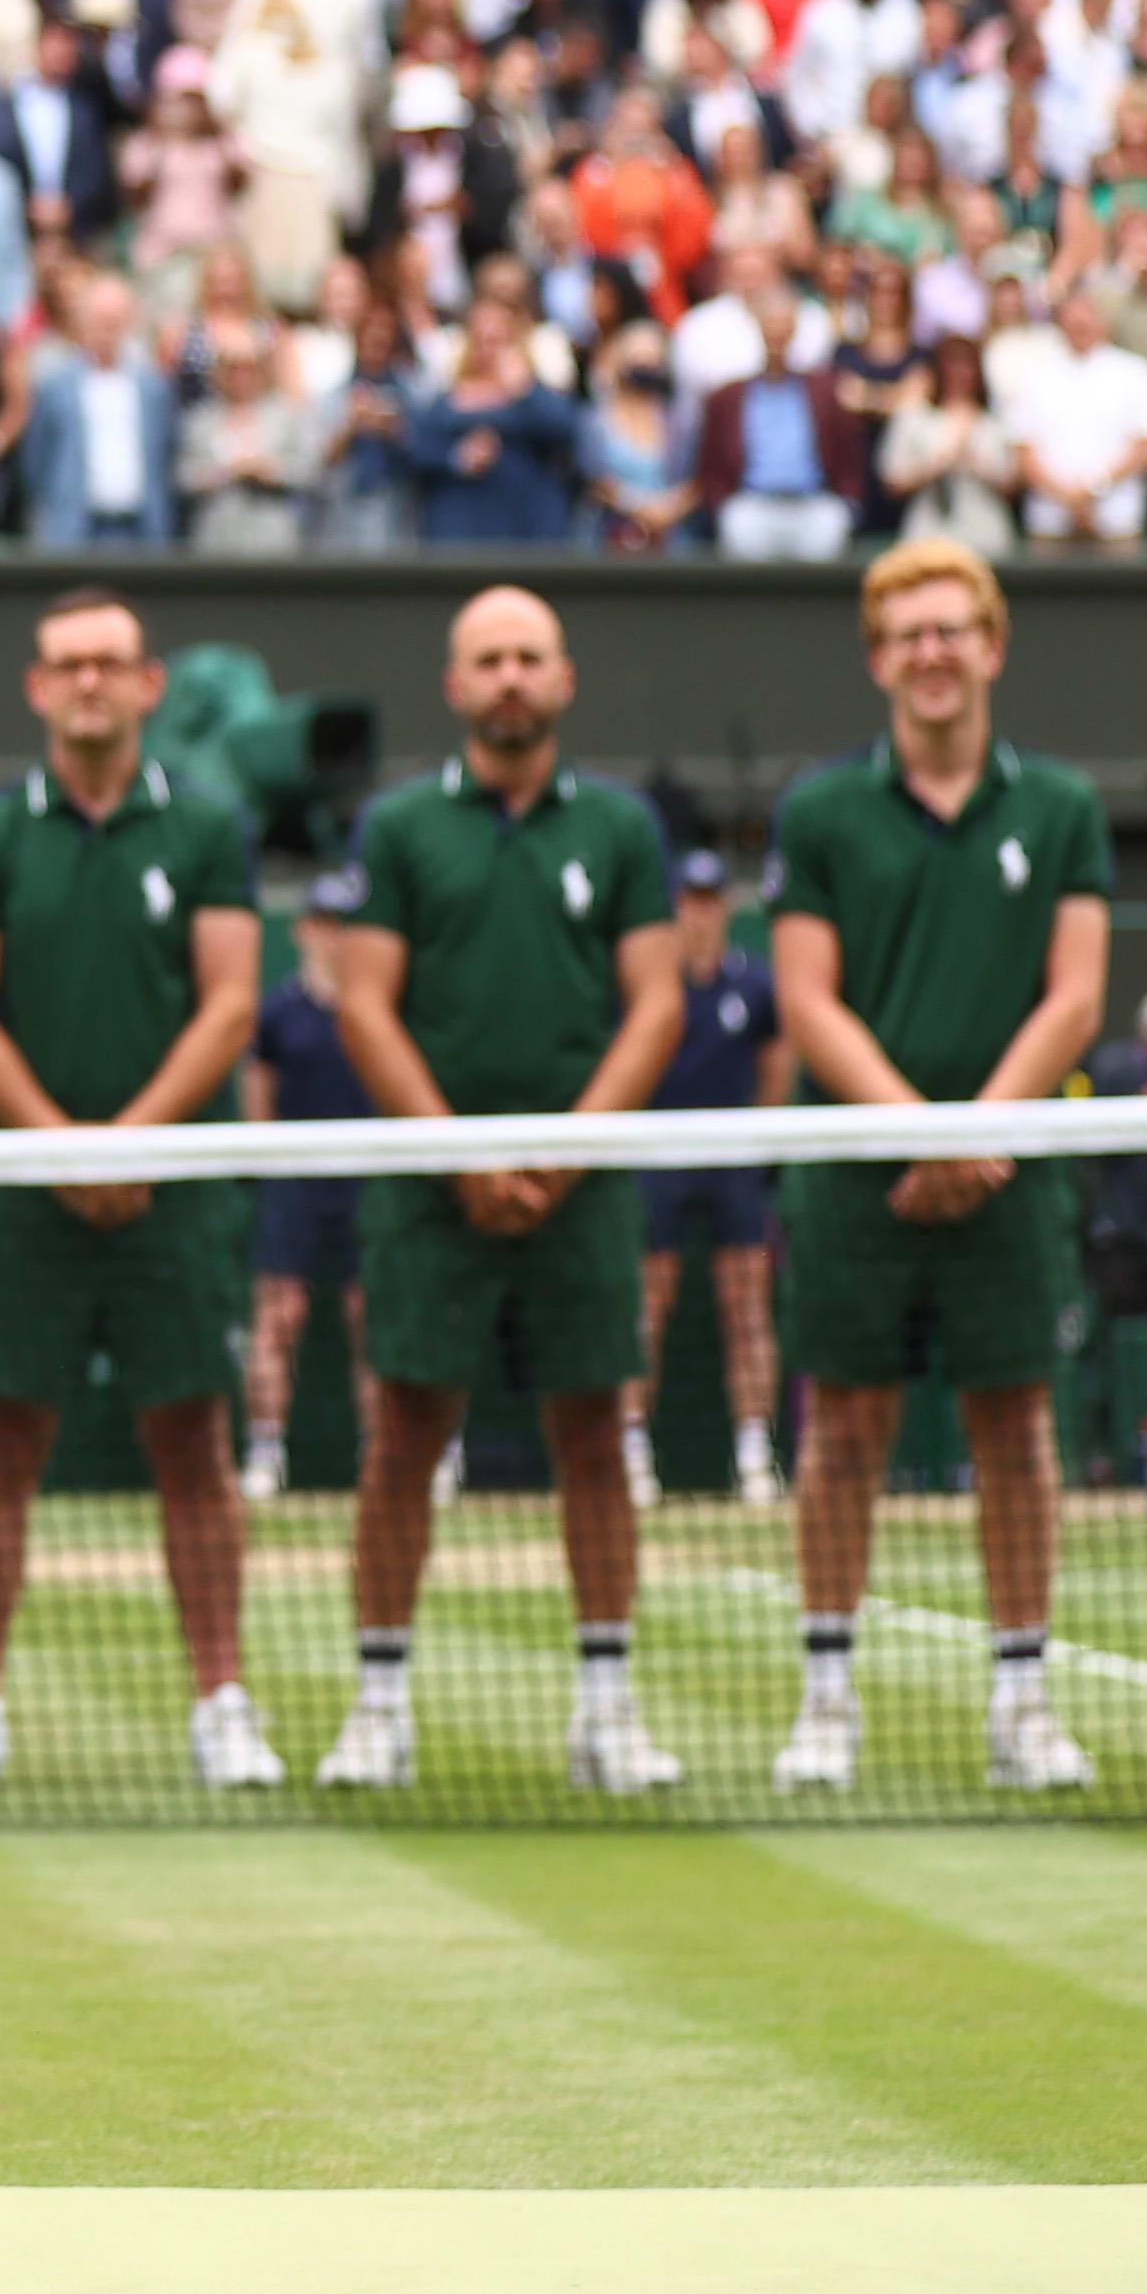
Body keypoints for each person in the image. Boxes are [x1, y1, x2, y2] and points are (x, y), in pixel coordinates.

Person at [317, 588, 689, 1797]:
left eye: (529, 656)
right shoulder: (397, 827)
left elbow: (656, 1002)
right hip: (429, 1193)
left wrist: (559, 1157)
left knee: (594, 1434)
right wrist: (462, 1158)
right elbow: (362, 1001)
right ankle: (376, 1704)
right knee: (404, 1437)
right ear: (454, 684)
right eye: (488, 658)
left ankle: (605, 1708)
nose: (510, 676)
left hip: (581, 1195)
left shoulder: (622, 828)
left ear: (562, 679)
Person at [765, 541, 1114, 1796]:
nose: (930, 651)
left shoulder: (1060, 807)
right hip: (852, 1174)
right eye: (906, 632)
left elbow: (1073, 996)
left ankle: (1021, 1698)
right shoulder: (816, 811)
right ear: (876, 657)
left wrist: (980, 1135)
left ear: (990, 645)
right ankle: (823, 1696)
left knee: (1015, 1427)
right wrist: (922, 1130)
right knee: (842, 1428)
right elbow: (807, 1001)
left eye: (950, 628)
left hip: (1011, 1173)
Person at [0, 591, 277, 1795]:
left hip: (172, 1195)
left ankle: (220, 1698)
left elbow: (229, 1003)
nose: (86, 683)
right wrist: (63, 1152)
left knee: (193, 1441)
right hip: (23, 1195)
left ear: (147, 685)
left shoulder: (209, 829)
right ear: (35, 686)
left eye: (108, 663)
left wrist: (128, 1144)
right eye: (66, 664)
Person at [628, 849, 791, 1513]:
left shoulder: (754, 988)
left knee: (746, 1307)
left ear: (723, 907)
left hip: (732, 1162)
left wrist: (758, 1141)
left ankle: (754, 1454)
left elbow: (777, 1065)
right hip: (654, 1158)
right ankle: (631, 1452)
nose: (699, 912)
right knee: (647, 1306)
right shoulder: (649, 992)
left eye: (709, 898)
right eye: (687, 900)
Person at [238, 868, 388, 1506]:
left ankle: (384, 1455)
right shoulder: (277, 1013)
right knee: (280, 1316)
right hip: (295, 1181)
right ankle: (265, 1453)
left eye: (346, 924)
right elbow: (257, 1101)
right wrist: (270, 1162)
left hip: (371, 1178)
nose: (335, 937)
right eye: (325, 922)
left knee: (372, 1319)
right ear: (303, 930)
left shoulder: (379, 1014)